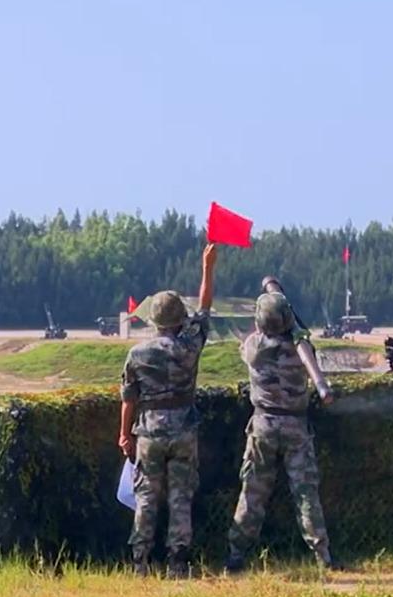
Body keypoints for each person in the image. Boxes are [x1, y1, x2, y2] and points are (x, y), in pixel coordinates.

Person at [225, 276, 336, 573]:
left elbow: (252, 337)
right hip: (296, 427)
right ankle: (323, 555)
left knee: (253, 491)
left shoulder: (253, 348)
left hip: (263, 424)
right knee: (305, 493)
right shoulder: (301, 350)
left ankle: (236, 554)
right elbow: (304, 343)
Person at [118, 243, 217, 579]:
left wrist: (124, 435)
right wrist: (207, 267)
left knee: (145, 497)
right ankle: (178, 563)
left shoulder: (137, 354)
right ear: (178, 320)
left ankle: (140, 563)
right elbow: (204, 308)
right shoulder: (190, 346)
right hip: (184, 430)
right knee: (180, 497)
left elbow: (128, 398)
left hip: (148, 432)